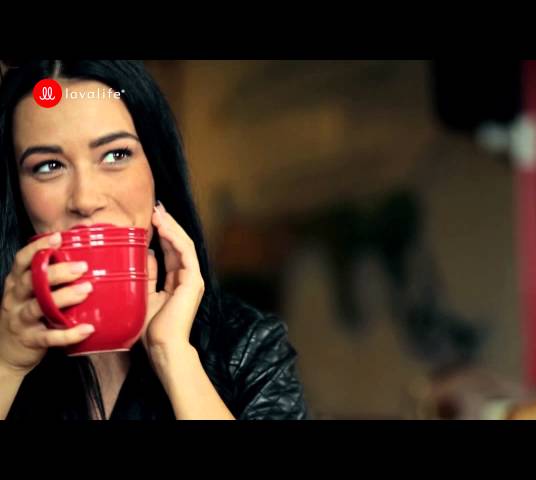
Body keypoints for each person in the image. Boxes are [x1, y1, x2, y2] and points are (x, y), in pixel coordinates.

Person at [0, 60, 308, 420]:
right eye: (48, 165)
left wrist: (172, 353)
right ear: (16, 191)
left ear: (156, 169)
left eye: (116, 155)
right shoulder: (7, 346)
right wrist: (6, 365)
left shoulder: (248, 347)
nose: (85, 199)